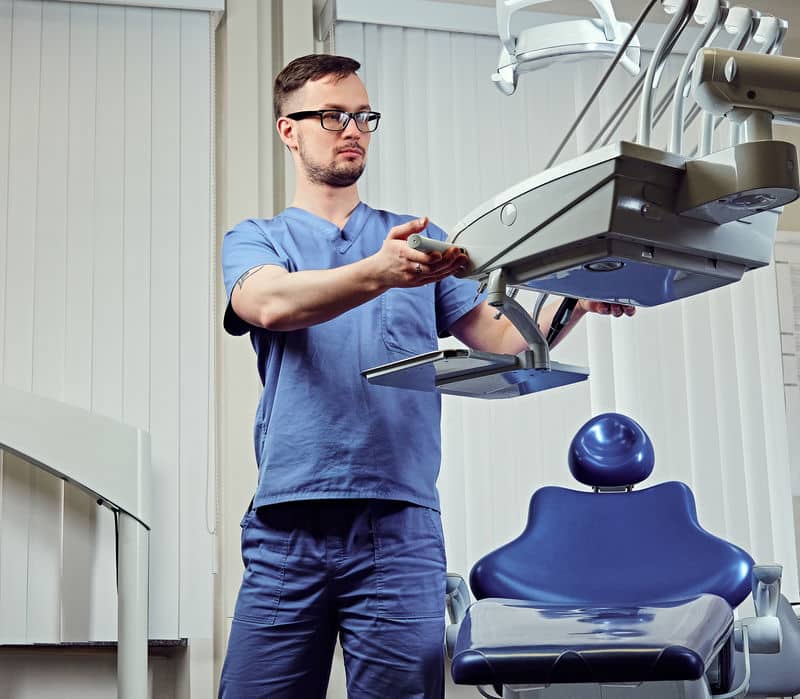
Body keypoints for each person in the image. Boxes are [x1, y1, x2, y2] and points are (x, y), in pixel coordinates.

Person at [219, 53, 635, 699]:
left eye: (362, 115)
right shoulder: (258, 239)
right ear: (289, 129)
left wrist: (573, 295)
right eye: (331, 115)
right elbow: (268, 304)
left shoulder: (420, 243)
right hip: (288, 524)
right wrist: (377, 273)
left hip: (398, 522)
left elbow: (501, 338)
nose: (351, 128)